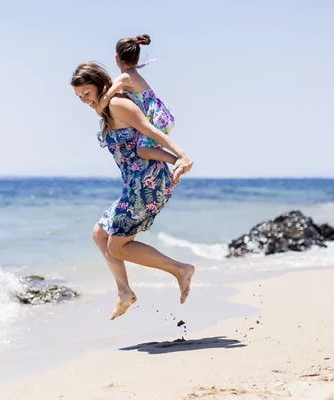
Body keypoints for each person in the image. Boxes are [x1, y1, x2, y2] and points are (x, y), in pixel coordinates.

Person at [71, 61, 195, 320]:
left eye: (87, 92)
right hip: (135, 183)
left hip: (146, 182)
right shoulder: (105, 109)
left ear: (99, 84)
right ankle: (124, 292)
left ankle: (180, 270)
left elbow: (150, 132)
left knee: (117, 247)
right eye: (79, 96)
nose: (84, 99)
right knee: (99, 234)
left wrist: (181, 155)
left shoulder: (118, 104)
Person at [96, 34, 176, 167]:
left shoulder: (124, 77)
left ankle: (177, 161)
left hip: (156, 117)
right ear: (136, 58)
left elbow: (107, 96)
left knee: (142, 150)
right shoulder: (133, 75)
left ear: (116, 58)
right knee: (147, 149)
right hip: (162, 115)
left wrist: (99, 105)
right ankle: (172, 165)